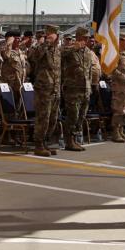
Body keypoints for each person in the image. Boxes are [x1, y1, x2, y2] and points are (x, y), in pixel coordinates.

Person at [29, 25, 61, 156]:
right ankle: (38, 144)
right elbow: (34, 57)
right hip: (43, 89)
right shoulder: (41, 48)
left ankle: (45, 143)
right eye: (53, 35)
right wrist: (46, 43)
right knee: (43, 118)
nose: (56, 38)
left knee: (53, 119)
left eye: (56, 35)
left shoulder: (57, 51)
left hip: (55, 89)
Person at [60, 27, 93, 151]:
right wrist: (75, 47)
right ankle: (69, 140)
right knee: (73, 115)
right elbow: (60, 53)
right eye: (85, 38)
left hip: (85, 88)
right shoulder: (71, 49)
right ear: (78, 37)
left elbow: (89, 70)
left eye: (88, 38)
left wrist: (89, 87)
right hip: (72, 88)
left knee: (81, 116)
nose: (87, 40)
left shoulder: (88, 52)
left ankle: (74, 138)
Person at [109, 33, 125, 143]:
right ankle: (115, 132)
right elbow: (112, 70)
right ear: (120, 41)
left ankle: (121, 130)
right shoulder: (115, 54)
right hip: (119, 88)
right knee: (118, 110)